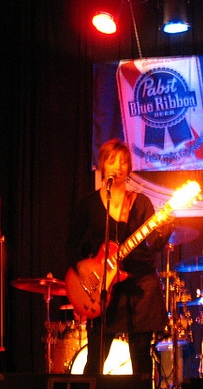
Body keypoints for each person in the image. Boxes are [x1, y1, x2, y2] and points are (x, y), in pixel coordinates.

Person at [66, 138, 174, 375]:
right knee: (95, 360)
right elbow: (72, 245)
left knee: (141, 360)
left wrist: (166, 225)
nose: (119, 166)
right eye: (113, 161)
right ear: (102, 165)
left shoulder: (140, 202)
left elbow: (154, 243)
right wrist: (84, 270)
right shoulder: (88, 204)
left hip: (139, 287)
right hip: (103, 290)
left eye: (124, 162)